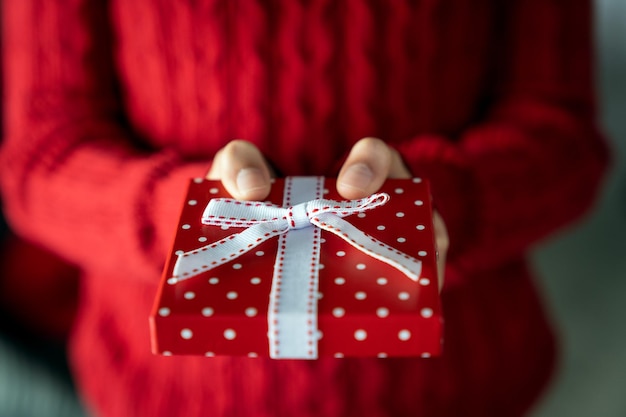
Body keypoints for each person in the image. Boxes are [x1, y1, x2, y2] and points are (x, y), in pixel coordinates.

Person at [0, 1, 609, 416]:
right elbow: (40, 160)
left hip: (460, 387)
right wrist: (182, 219)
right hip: (167, 393)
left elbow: (565, 138)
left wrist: (442, 203)